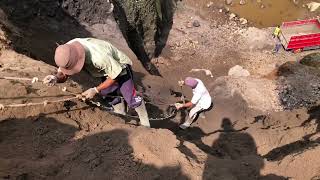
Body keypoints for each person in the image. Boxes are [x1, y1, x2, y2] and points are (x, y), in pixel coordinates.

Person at [43, 38, 150, 127]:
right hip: (104, 69)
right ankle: (120, 113)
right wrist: (55, 78)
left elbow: (115, 76)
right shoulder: (66, 51)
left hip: (119, 65)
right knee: (108, 92)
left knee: (129, 96)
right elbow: (63, 72)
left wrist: (95, 90)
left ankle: (145, 122)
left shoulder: (99, 57)